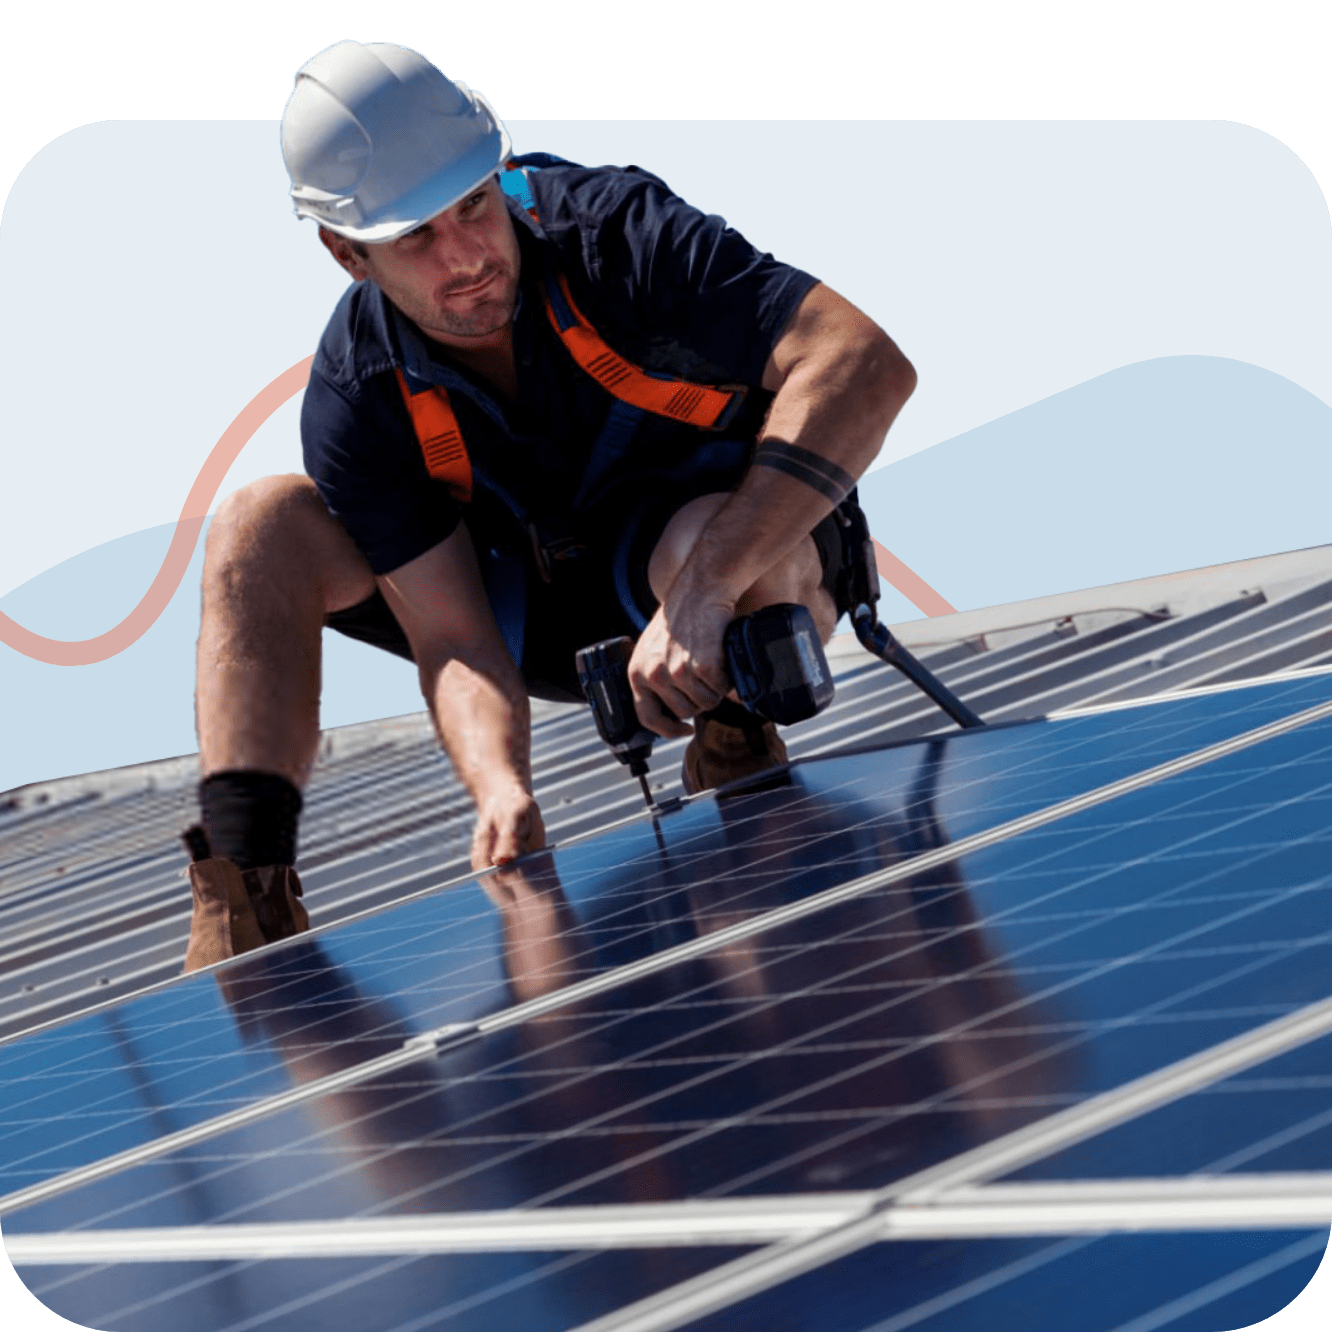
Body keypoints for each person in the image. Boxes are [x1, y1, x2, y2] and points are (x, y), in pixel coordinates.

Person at [181, 39, 917, 973]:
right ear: (346, 253)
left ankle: (734, 736)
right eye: (417, 237)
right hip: (535, 613)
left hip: (730, 568)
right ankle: (249, 904)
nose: (467, 257)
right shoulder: (359, 393)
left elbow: (864, 362)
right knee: (259, 525)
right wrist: (497, 787)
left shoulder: (617, 232)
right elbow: (452, 639)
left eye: (473, 208)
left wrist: (702, 592)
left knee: (701, 548)